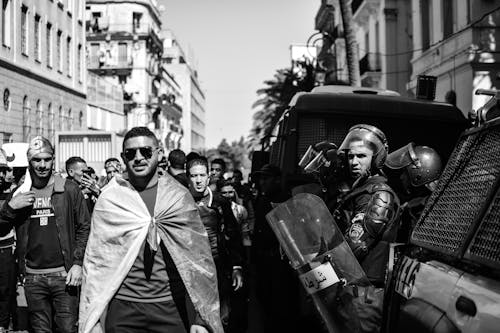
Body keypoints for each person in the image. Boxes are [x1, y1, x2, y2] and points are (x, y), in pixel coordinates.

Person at [79, 127, 222, 333]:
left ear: (159, 153)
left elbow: (200, 261)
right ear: (123, 158)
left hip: (171, 307)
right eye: (130, 153)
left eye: (145, 151)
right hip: (124, 307)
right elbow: (96, 263)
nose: (138, 158)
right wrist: (92, 320)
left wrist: (201, 318)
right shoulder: (110, 198)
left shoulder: (178, 197)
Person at [0, 136, 91, 333]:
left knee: (67, 330)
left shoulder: (68, 189)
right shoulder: (21, 192)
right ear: (29, 161)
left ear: (53, 159)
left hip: (65, 276)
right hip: (33, 278)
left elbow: (84, 227)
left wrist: (77, 263)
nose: (42, 165)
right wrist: (9, 207)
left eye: (47, 159)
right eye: (36, 159)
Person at [333, 124, 400, 333]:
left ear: (376, 158)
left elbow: (355, 244)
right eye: (351, 156)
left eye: (361, 156)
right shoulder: (360, 191)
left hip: (365, 293)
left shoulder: (378, 195)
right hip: (350, 286)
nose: (354, 162)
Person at [187, 157, 244, 330]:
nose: (198, 180)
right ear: (188, 177)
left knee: (221, 316)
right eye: (194, 175)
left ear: (208, 176)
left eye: (202, 175)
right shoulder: (179, 202)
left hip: (218, 266)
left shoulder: (220, 202)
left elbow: (233, 234)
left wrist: (236, 266)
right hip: (189, 268)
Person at [251, 164, 300, 333]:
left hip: (280, 266)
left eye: (266, 178)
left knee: (281, 311)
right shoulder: (262, 199)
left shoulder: (286, 200)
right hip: (263, 263)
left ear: (277, 179)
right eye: (261, 178)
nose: (262, 182)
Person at [385, 143, 442, 242]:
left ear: (418, 175)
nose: (401, 177)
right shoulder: (417, 204)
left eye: (405, 173)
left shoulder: (436, 206)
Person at [0, 149, 16, 333]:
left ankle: (3, 324)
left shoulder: (12, 194)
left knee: (5, 289)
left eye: (3, 170)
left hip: (6, 246)